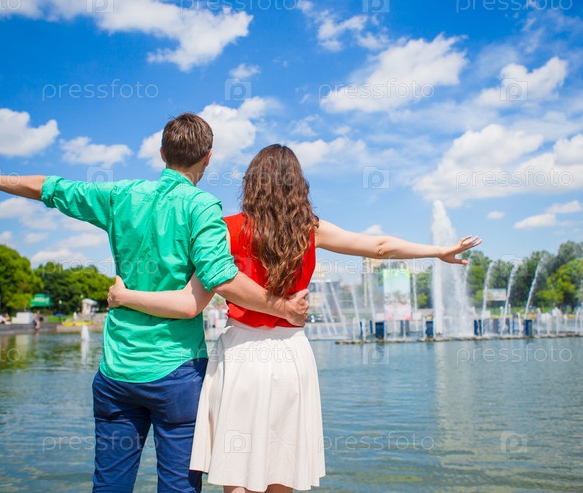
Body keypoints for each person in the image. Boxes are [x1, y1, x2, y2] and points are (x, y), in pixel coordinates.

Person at [0, 113, 309, 493]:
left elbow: (50, 187)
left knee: (109, 486)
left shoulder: (122, 195)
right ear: (209, 157)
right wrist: (283, 308)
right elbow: (221, 278)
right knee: (179, 488)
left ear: (162, 152)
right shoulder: (202, 208)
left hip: (117, 369)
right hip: (178, 372)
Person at [108, 144, 481, 493]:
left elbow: (191, 300)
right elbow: (380, 247)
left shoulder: (226, 228)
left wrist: (126, 296)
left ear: (251, 184)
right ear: (298, 185)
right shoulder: (310, 229)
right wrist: (438, 250)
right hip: (291, 356)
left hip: (239, 355)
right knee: (282, 467)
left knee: (235, 470)